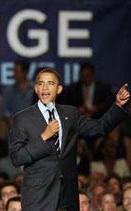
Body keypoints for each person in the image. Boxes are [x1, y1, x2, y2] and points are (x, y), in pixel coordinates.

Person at [8, 68, 130, 210]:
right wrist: (43, 137)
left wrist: (118, 106)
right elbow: (17, 157)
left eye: (50, 83)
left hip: (68, 196)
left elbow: (99, 127)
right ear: (36, 89)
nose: (45, 87)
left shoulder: (70, 114)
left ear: (59, 89)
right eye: (41, 83)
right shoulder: (22, 119)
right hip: (39, 197)